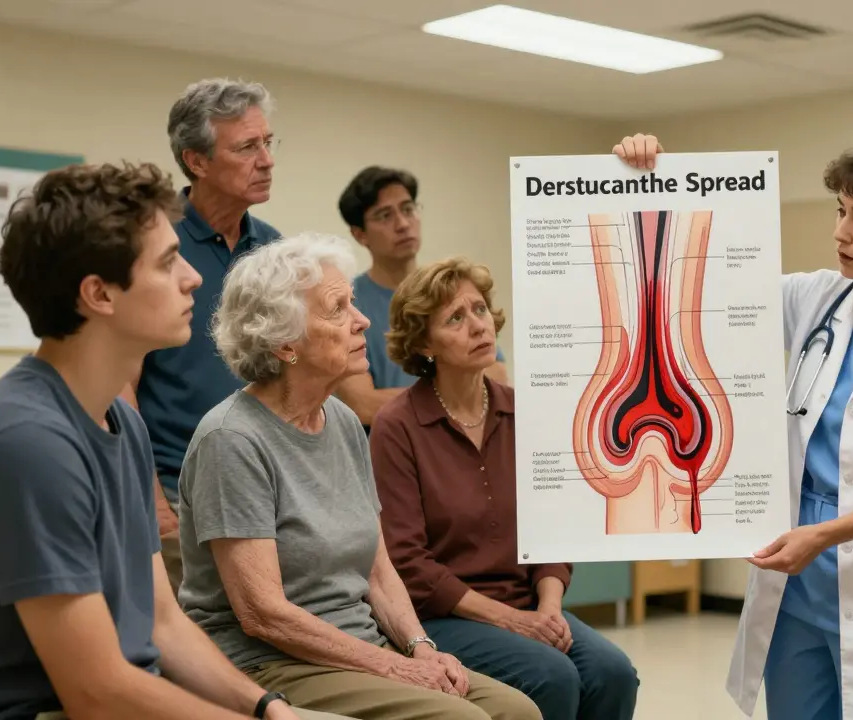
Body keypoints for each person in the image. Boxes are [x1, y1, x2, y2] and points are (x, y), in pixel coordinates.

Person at [615, 135, 853, 720]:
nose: (841, 232)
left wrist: (824, 536)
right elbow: (698, 281)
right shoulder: (817, 297)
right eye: (841, 212)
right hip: (796, 574)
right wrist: (652, 177)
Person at [0, 161, 341, 720]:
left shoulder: (122, 425)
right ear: (99, 293)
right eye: (169, 262)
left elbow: (162, 622)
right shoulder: (29, 439)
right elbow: (94, 692)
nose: (194, 278)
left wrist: (266, 706)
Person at [177, 233, 540, 720]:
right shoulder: (232, 439)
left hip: (357, 648)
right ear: (286, 342)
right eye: (338, 308)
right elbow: (262, 613)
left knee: (519, 712)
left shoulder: (342, 420)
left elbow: (377, 567)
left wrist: (420, 648)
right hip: (270, 666)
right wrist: (393, 669)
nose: (362, 319)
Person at [368, 257, 640, 720]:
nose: (477, 325)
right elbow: (408, 563)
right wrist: (512, 621)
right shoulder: (397, 427)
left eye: (479, 309)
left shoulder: (525, 412)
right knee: (551, 675)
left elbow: (553, 528)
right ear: (424, 342)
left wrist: (549, 609)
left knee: (613, 672)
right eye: (455, 318)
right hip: (443, 617)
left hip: (528, 604)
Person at [122, 78, 283, 592]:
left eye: (267, 143)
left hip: (263, 486)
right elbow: (119, 383)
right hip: (177, 489)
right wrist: (153, 502)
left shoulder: (274, 250)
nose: (266, 160)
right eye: (246, 147)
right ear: (197, 161)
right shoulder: (152, 239)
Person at [336, 167, 508, 428]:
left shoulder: (450, 289)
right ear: (360, 234)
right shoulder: (347, 305)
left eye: (408, 209)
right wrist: (458, 395)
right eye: (385, 216)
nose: (403, 224)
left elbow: (497, 375)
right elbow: (363, 405)